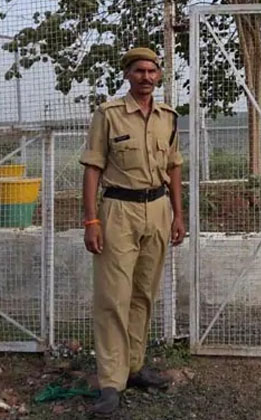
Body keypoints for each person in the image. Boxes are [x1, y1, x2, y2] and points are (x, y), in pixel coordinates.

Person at [80, 47, 185, 417]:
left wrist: (178, 215)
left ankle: (135, 367)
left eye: (152, 71)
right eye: (139, 70)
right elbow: (92, 168)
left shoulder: (168, 117)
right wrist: (91, 220)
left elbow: (173, 167)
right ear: (127, 75)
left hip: (157, 209)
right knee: (113, 297)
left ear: (158, 76)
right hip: (118, 212)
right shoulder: (108, 115)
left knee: (143, 293)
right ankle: (110, 382)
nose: (146, 76)